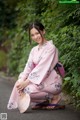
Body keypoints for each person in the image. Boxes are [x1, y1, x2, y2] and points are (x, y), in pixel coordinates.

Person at [7, 20, 65, 113]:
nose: (35, 37)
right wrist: (22, 80)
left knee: (27, 90)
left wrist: (26, 82)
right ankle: (43, 100)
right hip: (39, 81)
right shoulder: (34, 50)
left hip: (51, 81)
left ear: (43, 31)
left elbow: (41, 68)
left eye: (37, 33)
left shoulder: (51, 48)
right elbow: (28, 67)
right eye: (32, 35)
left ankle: (55, 96)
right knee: (19, 85)